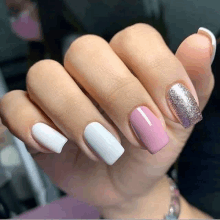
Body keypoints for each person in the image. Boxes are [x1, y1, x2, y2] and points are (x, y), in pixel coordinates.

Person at [1, 0, 218, 219]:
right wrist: (134, 200)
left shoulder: (67, 41)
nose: (15, 20)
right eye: (11, 12)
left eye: (17, 10)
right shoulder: (39, 52)